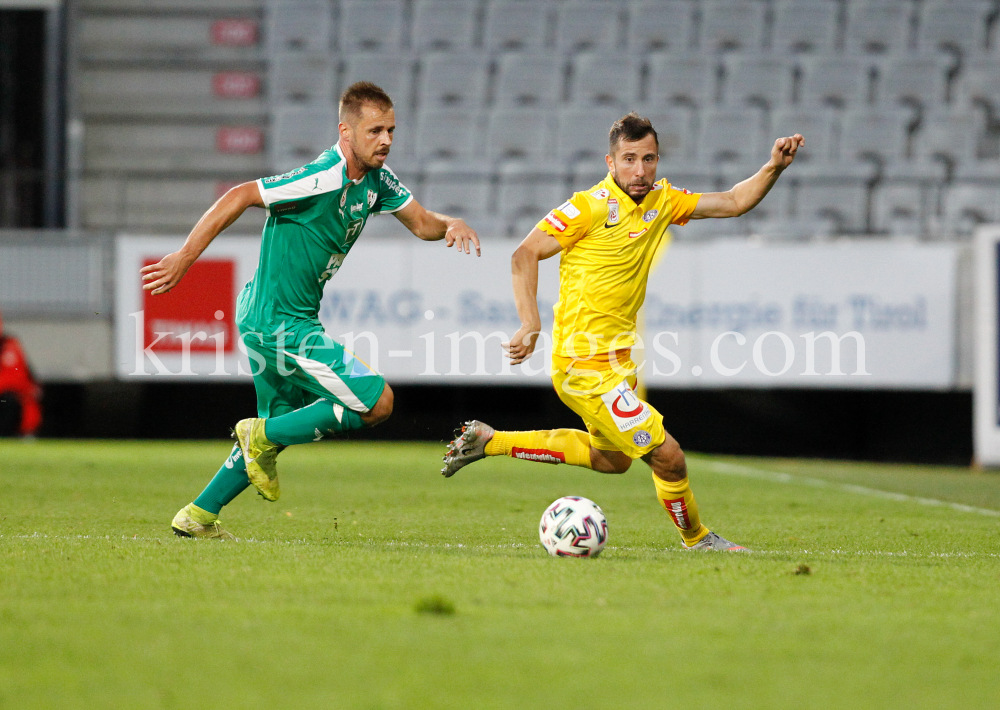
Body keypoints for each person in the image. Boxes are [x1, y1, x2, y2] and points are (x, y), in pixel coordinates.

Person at [441, 112, 804, 552]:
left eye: (648, 159)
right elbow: (525, 254)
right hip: (582, 366)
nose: (640, 170)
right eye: (629, 159)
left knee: (611, 460)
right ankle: (698, 539)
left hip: (618, 364)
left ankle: (490, 441)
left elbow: (732, 201)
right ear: (610, 162)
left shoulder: (662, 200)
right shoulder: (587, 207)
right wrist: (530, 322)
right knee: (668, 456)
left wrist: (773, 168)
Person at [142, 82, 480, 539]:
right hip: (278, 322)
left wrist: (450, 223)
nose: (386, 140)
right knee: (376, 402)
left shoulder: (379, 180)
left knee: (275, 430)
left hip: (282, 316)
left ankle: (199, 515)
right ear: (346, 131)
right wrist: (185, 257)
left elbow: (422, 224)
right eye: (375, 130)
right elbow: (241, 194)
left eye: (391, 130)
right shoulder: (321, 177)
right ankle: (258, 436)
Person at [0, 310, 42, 438]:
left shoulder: (10, 345)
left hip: (10, 396)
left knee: (9, 401)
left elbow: (21, 375)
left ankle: (8, 437)